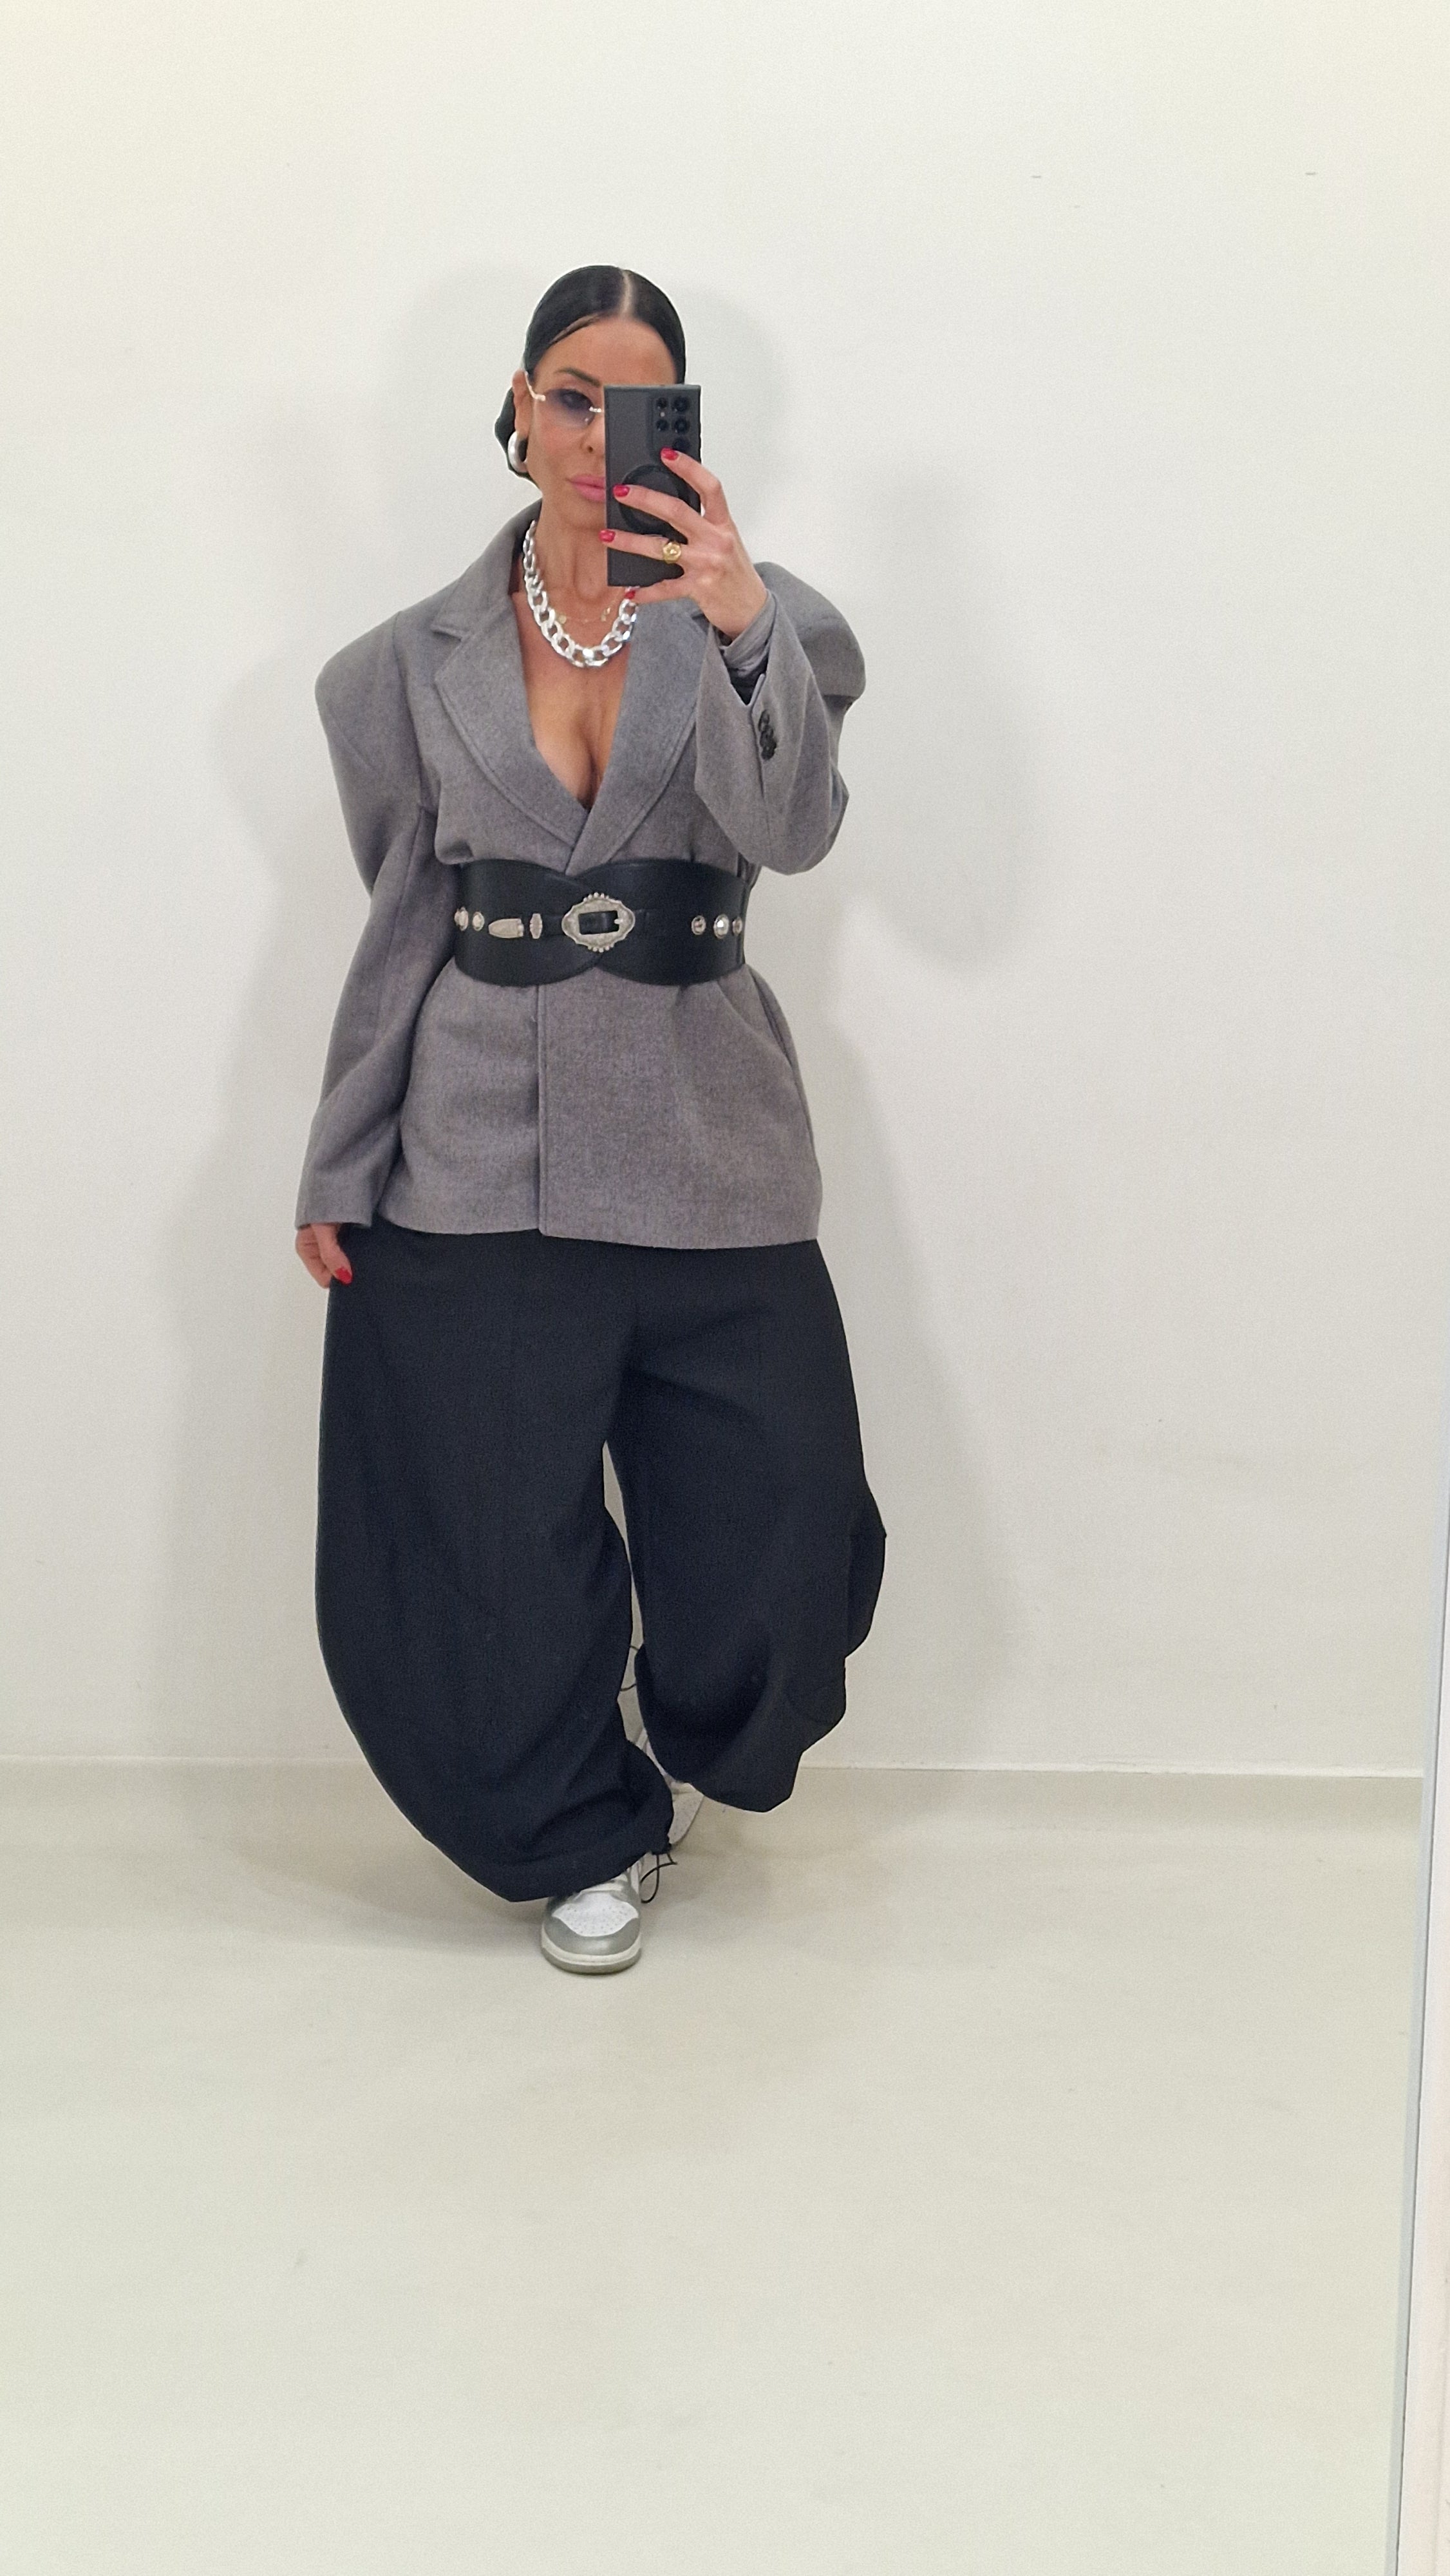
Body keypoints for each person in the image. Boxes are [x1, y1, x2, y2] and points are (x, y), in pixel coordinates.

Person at [294, 265, 885, 1974]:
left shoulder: (773, 625)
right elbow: (405, 917)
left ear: (677, 428)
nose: (591, 432)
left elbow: (792, 835)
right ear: (518, 402)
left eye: (635, 404)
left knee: (781, 1522)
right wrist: (341, 1157)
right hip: (474, 1150)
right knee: (484, 1545)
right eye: (569, 393)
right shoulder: (394, 670)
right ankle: (579, 1833)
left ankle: (687, 1745)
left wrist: (738, 624)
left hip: (710, 1136)